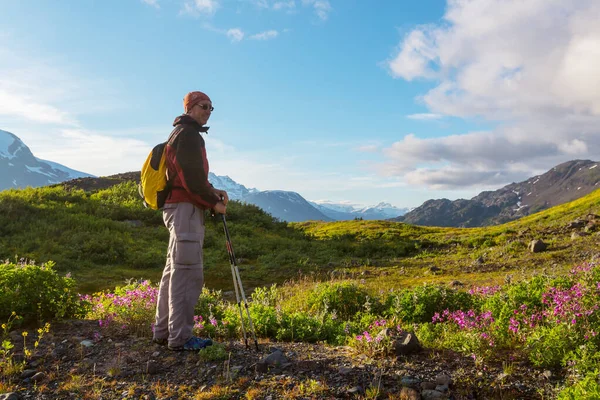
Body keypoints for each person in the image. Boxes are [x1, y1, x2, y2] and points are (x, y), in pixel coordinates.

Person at [152, 91, 228, 351]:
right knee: (186, 273)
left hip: (178, 208)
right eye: (203, 106)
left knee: (173, 271)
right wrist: (213, 203)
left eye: (211, 107)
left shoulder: (179, 134)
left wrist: (211, 190)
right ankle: (181, 338)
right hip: (186, 210)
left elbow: (189, 176)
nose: (208, 111)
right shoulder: (188, 136)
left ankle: (163, 332)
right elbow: (191, 180)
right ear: (190, 108)